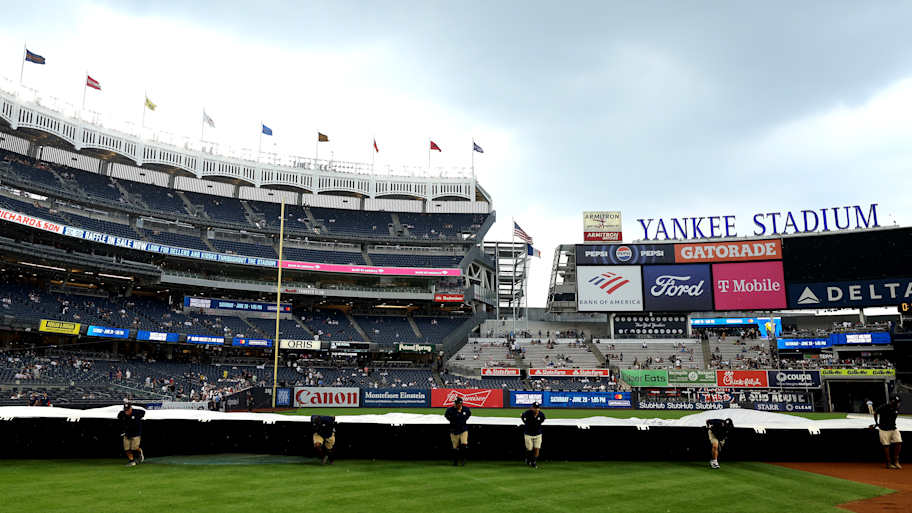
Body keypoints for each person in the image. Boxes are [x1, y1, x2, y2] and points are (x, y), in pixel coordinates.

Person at [873, 396, 902, 469]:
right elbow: (875, 412)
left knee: (899, 442)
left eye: (898, 402)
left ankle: (896, 461)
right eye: (896, 402)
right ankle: (888, 462)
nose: (898, 404)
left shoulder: (896, 408)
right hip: (884, 429)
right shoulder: (884, 407)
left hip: (893, 428)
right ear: (892, 401)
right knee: (886, 445)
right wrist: (876, 423)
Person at [444, 397, 471, 466]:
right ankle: (455, 461)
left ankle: (463, 459)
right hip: (454, 430)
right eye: (455, 403)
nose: (455, 404)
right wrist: (453, 420)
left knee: (464, 444)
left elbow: (468, 415)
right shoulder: (450, 410)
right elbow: (446, 416)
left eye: (457, 403)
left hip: (463, 429)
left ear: (460, 404)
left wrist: (462, 419)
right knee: (455, 446)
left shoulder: (466, 409)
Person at [117, 401, 145, 467]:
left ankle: (139, 452)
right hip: (127, 433)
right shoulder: (122, 414)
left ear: (131, 408)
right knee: (126, 449)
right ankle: (131, 460)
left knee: (134, 448)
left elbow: (143, 412)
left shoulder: (137, 412)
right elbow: (119, 418)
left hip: (136, 433)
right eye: (125, 410)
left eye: (128, 410)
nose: (126, 411)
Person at [521, 402, 545, 468]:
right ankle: (528, 459)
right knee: (529, 449)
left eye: (537, 408)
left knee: (537, 448)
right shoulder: (527, 413)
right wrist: (525, 422)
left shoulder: (541, 415)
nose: (536, 409)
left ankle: (533, 462)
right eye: (535, 408)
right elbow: (522, 416)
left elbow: (542, 420)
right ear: (532, 408)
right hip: (528, 434)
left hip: (538, 434)